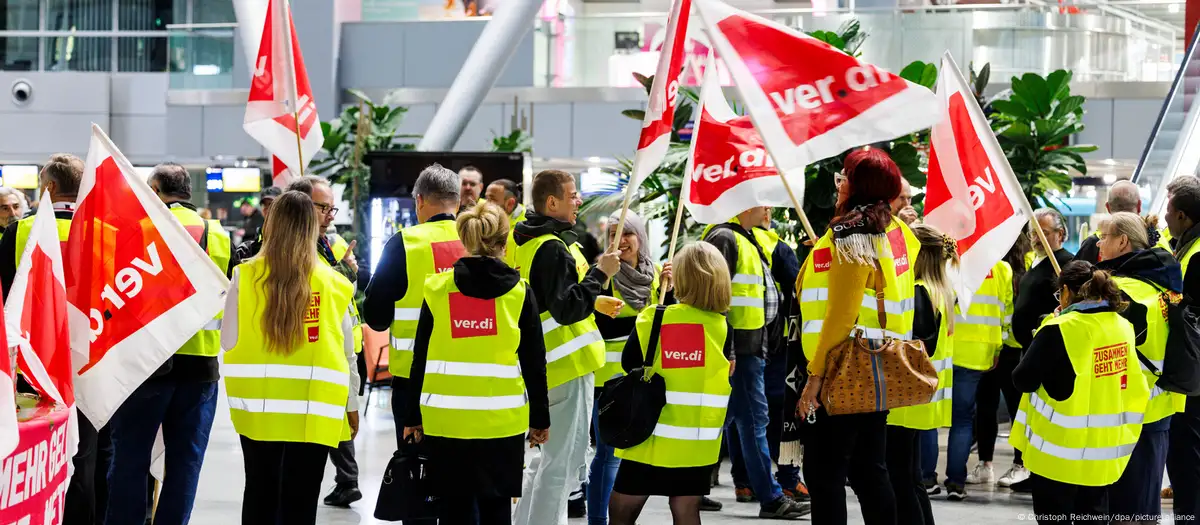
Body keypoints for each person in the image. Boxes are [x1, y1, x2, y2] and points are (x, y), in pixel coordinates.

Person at [402, 201, 550, 525]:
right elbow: (534, 361)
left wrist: (413, 414)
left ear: (464, 239)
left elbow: (420, 358)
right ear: (503, 241)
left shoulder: (438, 289)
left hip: (446, 421)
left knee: (453, 511)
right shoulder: (519, 293)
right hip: (502, 422)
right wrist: (540, 417)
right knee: (497, 510)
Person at [220, 190, 360, 525]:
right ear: (312, 227)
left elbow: (228, 340)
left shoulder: (244, 276)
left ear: (271, 224)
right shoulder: (335, 284)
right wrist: (351, 406)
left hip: (257, 410)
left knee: (259, 490)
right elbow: (347, 354)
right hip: (315, 410)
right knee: (302, 498)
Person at [798, 148, 920, 525]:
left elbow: (840, 315)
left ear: (857, 185)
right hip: (876, 367)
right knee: (870, 472)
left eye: (844, 177)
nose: (838, 184)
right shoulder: (897, 232)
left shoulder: (852, 238)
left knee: (825, 476)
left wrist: (814, 380)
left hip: (842, 368)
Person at [104, 163, 231, 525]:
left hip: (145, 365)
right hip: (200, 367)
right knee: (184, 465)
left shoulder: (135, 230)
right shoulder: (218, 234)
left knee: (130, 459)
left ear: (156, 190)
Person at [511, 170, 621, 525]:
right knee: (563, 467)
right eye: (573, 195)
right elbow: (565, 308)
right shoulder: (552, 248)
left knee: (546, 462)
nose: (579, 201)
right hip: (566, 366)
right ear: (551, 202)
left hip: (546, 369)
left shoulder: (526, 240)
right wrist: (600, 274)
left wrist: (594, 300)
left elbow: (548, 300)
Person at [0, 154, 105, 524]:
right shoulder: (106, 230)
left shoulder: (20, 232)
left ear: (50, 188)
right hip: (92, 359)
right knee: (87, 455)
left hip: (35, 362)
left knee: (38, 449)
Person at [1010, 261, 1149, 524]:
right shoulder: (1122, 326)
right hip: (1102, 455)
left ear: (1065, 292)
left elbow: (1023, 380)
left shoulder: (1057, 329)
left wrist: (1044, 329)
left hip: (1057, 457)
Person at [608, 242, 734, 525]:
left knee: (621, 509)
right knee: (686, 510)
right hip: (696, 442)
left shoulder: (655, 318)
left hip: (649, 435)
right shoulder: (723, 327)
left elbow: (630, 364)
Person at [704, 205, 810, 520]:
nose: (767, 208)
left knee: (734, 421)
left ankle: (693, 489)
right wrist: (729, 350)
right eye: (761, 200)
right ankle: (771, 497)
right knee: (753, 422)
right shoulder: (726, 237)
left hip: (749, 349)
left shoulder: (745, 238)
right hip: (741, 351)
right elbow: (716, 297)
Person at [362, 164, 464, 488]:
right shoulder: (478, 240)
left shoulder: (404, 243)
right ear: (458, 203)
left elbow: (375, 315)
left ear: (419, 201)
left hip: (414, 386)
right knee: (462, 486)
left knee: (418, 482)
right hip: (474, 380)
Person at [587, 210, 676, 523]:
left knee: (630, 458)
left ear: (641, 236)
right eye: (613, 234)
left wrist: (672, 292)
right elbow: (597, 325)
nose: (620, 240)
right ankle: (599, 521)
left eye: (627, 232)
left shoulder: (656, 276)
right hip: (608, 382)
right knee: (608, 456)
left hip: (644, 383)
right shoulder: (602, 274)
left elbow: (666, 325)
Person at [283, 176, 366, 507]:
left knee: (338, 418)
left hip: (343, 345)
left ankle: (348, 479)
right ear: (301, 205)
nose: (330, 214)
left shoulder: (332, 243)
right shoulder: (285, 249)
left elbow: (344, 287)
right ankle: (347, 478)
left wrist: (350, 269)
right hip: (309, 350)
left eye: (332, 207)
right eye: (323, 207)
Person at [1096, 212, 1184, 523]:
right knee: (1143, 507)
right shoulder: (1164, 282)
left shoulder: (1118, 290)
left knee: (1123, 508)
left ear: (1122, 241)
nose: (1098, 242)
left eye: (1104, 236)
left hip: (1123, 410)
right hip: (1159, 406)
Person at [886, 223, 957, 525]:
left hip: (905, 399)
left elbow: (917, 345)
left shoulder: (918, 292)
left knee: (901, 480)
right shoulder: (940, 290)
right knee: (910, 477)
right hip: (922, 397)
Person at [941, 238, 1016, 499]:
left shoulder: (949, 264)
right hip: (981, 353)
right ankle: (955, 483)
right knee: (963, 419)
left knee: (930, 417)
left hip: (947, 349)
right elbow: (1006, 314)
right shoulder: (1002, 269)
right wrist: (999, 348)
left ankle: (926, 477)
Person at [971, 233, 1032, 488]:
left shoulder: (1025, 262)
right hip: (999, 347)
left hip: (1007, 348)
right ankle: (988, 464)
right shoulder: (992, 262)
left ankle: (1018, 464)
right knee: (989, 407)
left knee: (1006, 407)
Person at [1165, 175, 1200, 520]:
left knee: (1187, 455)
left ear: (1184, 217)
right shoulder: (1187, 246)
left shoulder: (1197, 253)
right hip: (1191, 365)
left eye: (1169, 210)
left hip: (1193, 368)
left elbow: (1192, 309)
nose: (1164, 217)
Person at [1075, 181, 1167, 264]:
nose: (1100, 241)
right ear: (1139, 205)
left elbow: (1074, 277)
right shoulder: (1158, 238)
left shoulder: (1093, 243)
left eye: (1103, 237)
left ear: (1108, 207)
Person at [232, 186, 282, 265]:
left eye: (271, 204)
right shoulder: (262, 230)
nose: (267, 208)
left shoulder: (286, 229)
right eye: (264, 205)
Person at [484, 178, 527, 266]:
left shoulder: (527, 226)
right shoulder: (487, 219)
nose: (486, 204)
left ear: (510, 204)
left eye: (492, 199)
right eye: (486, 198)